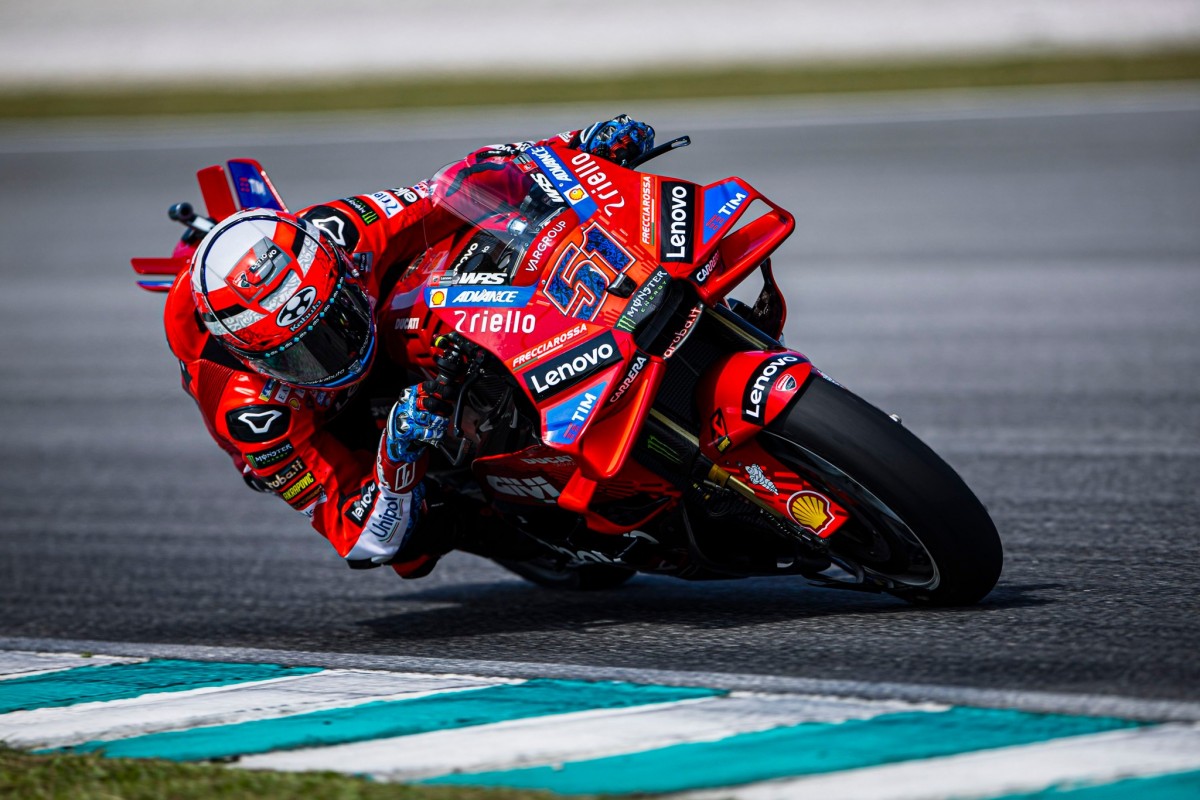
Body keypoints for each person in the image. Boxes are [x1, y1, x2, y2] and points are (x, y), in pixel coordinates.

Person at [164, 115, 655, 578]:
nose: (332, 355)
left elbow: (456, 187)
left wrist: (579, 144)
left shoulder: (343, 231)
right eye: (296, 356)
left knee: (476, 230)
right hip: (329, 419)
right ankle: (525, 539)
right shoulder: (252, 416)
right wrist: (395, 456)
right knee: (411, 544)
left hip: (380, 313)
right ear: (252, 358)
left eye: (334, 324)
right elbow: (364, 540)